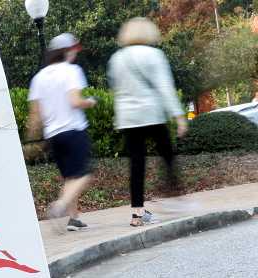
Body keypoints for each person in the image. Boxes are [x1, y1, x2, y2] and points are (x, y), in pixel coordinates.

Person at [108, 17, 188, 227]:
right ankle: (173, 198)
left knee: (137, 165)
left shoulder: (117, 58)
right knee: (167, 154)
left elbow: (116, 89)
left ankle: (137, 214)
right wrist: (179, 117)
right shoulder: (154, 55)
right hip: (151, 114)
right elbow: (165, 87)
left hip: (128, 118)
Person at [27, 33, 96, 232]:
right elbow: (75, 101)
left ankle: (73, 218)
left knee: (70, 177)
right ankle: (60, 205)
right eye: (74, 49)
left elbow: (35, 115)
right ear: (66, 51)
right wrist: (89, 102)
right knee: (83, 174)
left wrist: (32, 139)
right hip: (73, 130)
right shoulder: (71, 71)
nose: (76, 52)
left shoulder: (39, 77)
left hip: (53, 135)